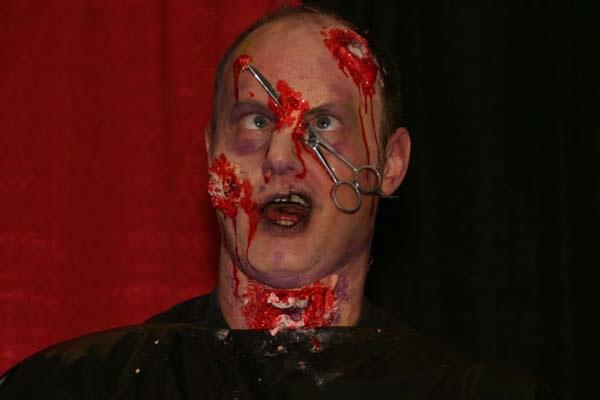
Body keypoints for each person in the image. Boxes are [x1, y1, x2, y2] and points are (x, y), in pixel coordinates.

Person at [0, 6, 553, 399]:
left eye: (323, 124)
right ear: (211, 155)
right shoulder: (74, 387)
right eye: (257, 121)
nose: (281, 158)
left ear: (391, 164)